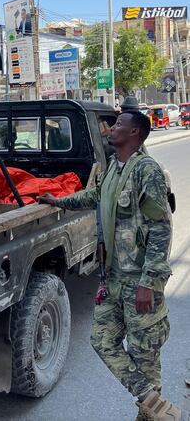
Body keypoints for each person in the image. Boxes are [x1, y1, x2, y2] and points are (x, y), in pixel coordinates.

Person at [39, 111, 180, 421]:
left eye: (119, 124)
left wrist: (149, 282)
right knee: (102, 340)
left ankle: (150, 414)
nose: (111, 127)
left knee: (145, 353)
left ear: (134, 134)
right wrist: (59, 202)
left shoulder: (147, 170)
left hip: (140, 280)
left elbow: (160, 227)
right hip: (114, 278)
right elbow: (96, 196)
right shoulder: (112, 169)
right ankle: (151, 401)